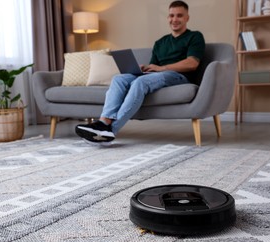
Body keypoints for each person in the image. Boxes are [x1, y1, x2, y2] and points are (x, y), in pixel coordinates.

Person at [75, 0, 205, 145]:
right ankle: (103, 122)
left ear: (187, 18)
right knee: (119, 79)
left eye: (179, 16)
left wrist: (161, 68)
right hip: (158, 76)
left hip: (179, 77)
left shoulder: (195, 36)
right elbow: (154, 66)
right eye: (171, 16)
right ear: (168, 18)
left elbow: (192, 64)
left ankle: (112, 130)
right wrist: (146, 68)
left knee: (140, 82)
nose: (174, 19)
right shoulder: (160, 42)